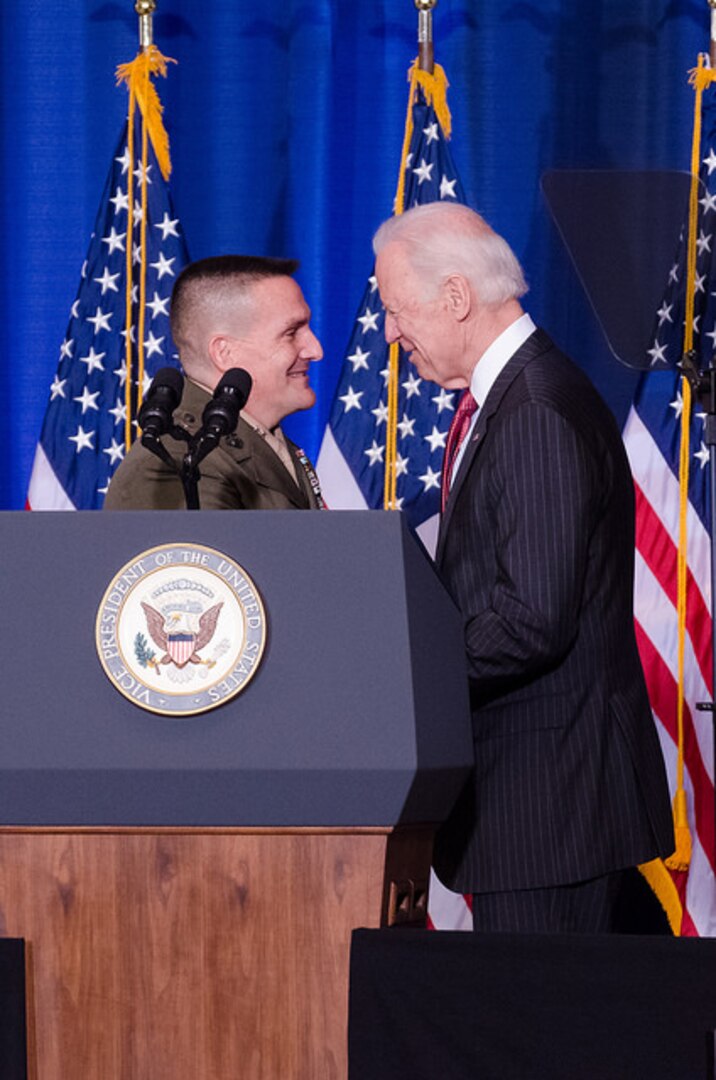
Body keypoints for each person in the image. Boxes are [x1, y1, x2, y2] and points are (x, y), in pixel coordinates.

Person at [373, 202, 674, 933]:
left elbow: (530, 620)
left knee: (547, 1039)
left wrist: (394, 679)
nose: (389, 332)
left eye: (394, 308)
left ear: (455, 297)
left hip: (550, 809)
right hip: (548, 804)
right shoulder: (519, 396)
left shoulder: (535, 407)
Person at [104, 254, 324, 510]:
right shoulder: (179, 461)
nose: (315, 350)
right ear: (225, 353)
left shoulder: (269, 443)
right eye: (291, 333)